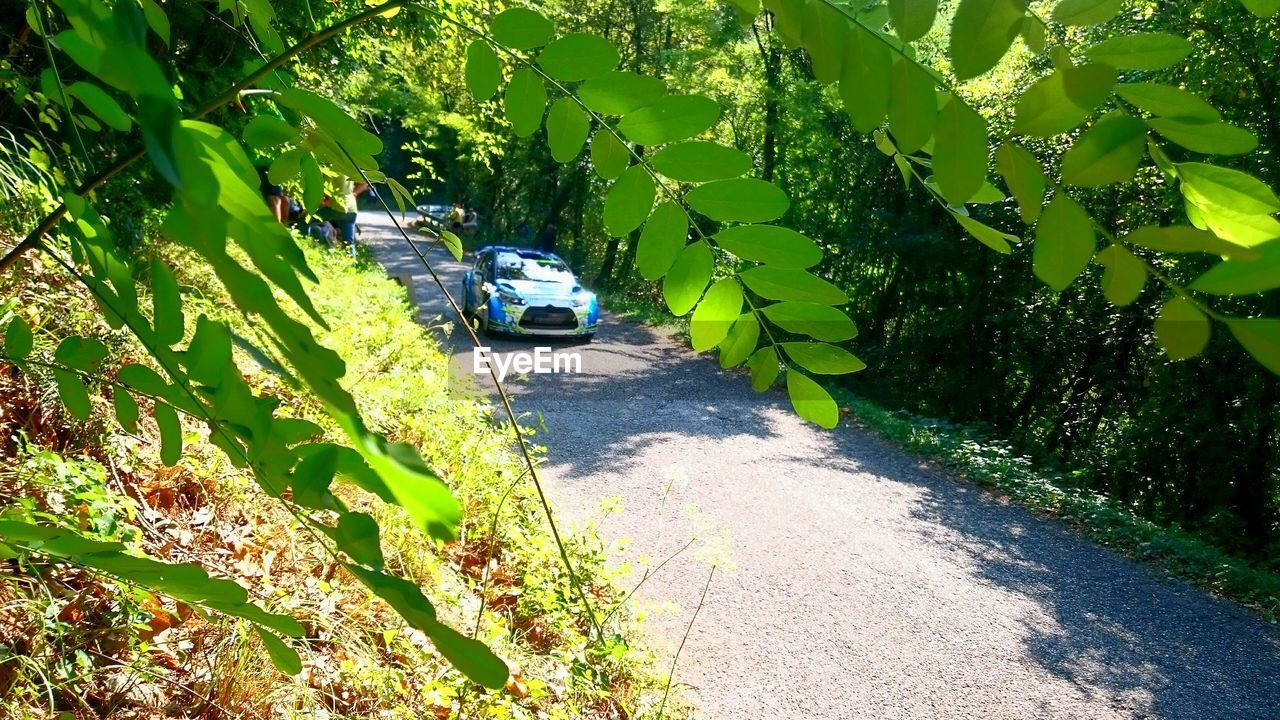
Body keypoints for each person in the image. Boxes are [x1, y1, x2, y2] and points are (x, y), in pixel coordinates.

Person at [336, 176, 370, 257]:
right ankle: (351, 264)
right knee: (349, 243)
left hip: (333, 207)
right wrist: (352, 195)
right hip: (350, 208)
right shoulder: (349, 167)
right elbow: (364, 184)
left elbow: (363, 184)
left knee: (304, 220)